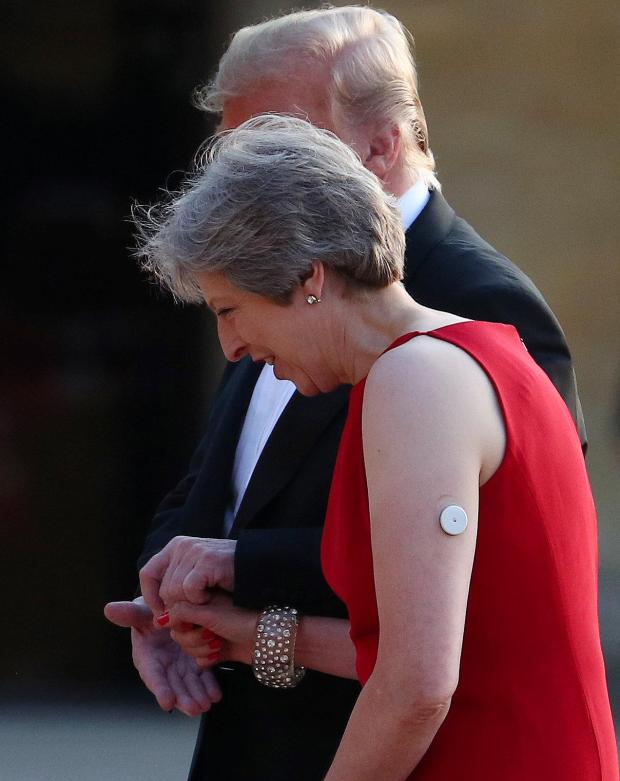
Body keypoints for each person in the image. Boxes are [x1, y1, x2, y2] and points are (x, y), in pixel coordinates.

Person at [105, 7, 588, 780]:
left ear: (309, 277)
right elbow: (399, 637)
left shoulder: (421, 363)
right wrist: (212, 621)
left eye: (231, 313)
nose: (232, 348)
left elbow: (424, 678)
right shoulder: (385, 350)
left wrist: (240, 581)